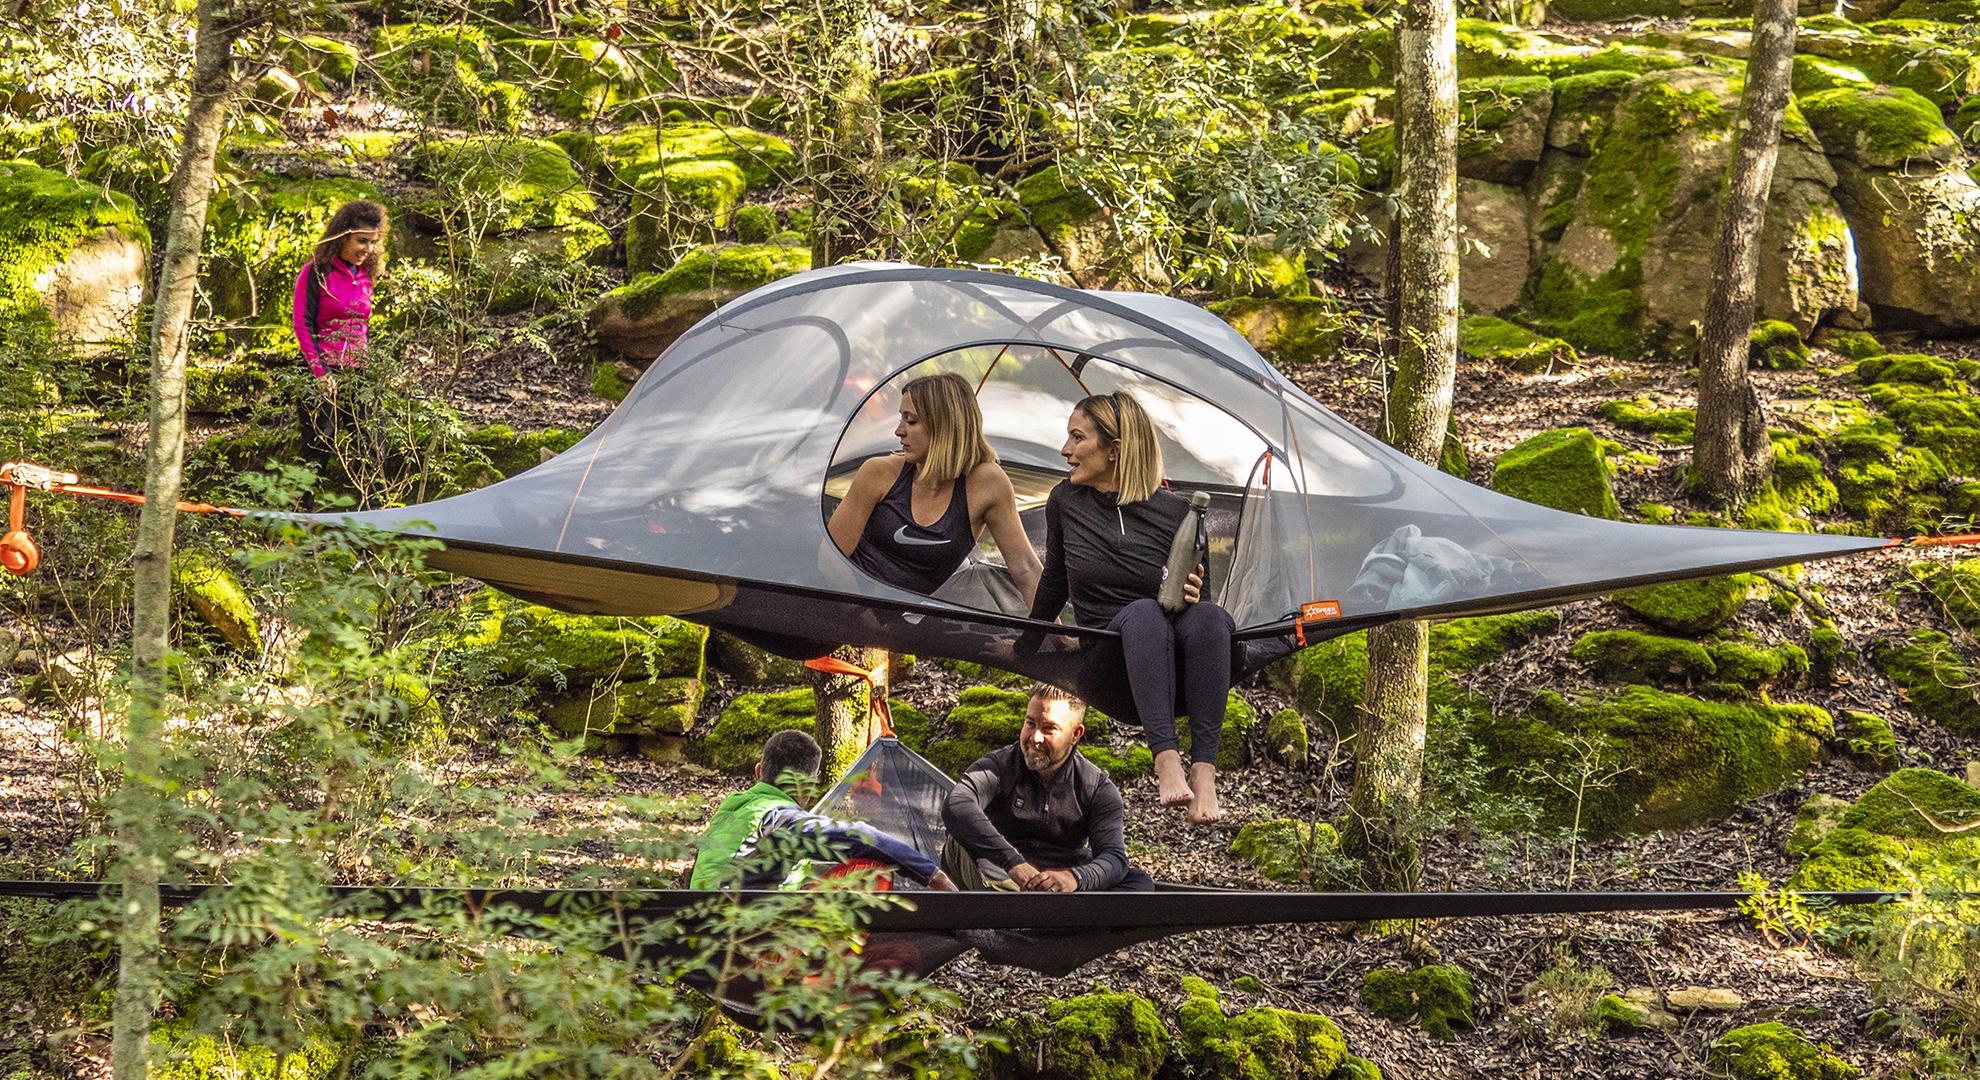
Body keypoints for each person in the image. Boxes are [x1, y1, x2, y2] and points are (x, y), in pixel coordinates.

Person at [1028, 390, 1233, 824]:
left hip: (1168, 670)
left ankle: (1204, 772)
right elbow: (1054, 582)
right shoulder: (1065, 501)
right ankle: (1166, 759)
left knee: (1212, 618)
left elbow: (1200, 607)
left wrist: (1194, 593)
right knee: (1142, 612)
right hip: (1108, 666)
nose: (1065, 449)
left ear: (1114, 450)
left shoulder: (1179, 512)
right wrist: (1024, 647)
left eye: (1077, 437)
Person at [826, 372, 1042, 606]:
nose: (899, 431)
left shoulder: (988, 483)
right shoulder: (879, 472)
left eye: (911, 421)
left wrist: (1054, 628)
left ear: (943, 425)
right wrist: (866, 618)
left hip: (907, 618)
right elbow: (830, 558)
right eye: (901, 419)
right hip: (843, 604)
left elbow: (1026, 569)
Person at [940, 684, 1154, 892]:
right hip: (997, 871)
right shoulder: (997, 767)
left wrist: (1075, 878)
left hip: (1058, 878)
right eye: (1030, 724)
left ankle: (1046, 911)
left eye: (1049, 728)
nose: (1035, 738)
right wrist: (1012, 862)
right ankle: (1027, 909)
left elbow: (1113, 858)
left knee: (1137, 882)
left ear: (1076, 734)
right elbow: (957, 804)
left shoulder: (1096, 787)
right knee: (958, 844)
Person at [691, 729, 957, 891]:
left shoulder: (732, 810)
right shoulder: (777, 817)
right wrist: (932, 874)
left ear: (759, 771)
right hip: (739, 937)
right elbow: (859, 836)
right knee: (868, 869)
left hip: (701, 927)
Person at [292, 200, 386, 477]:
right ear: (342, 236)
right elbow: (302, 323)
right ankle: (305, 502)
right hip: (322, 371)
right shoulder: (316, 272)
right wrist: (320, 373)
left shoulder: (366, 275)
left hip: (359, 373)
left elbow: (363, 326)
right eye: (361, 240)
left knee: (371, 444)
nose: (367, 249)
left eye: (373, 242)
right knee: (318, 447)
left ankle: (374, 503)